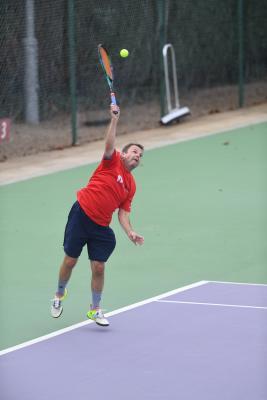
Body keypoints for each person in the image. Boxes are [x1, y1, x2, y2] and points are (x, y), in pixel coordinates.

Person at [51, 103, 144, 326]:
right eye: (134, 152)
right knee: (71, 260)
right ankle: (58, 295)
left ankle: (95, 309)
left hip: (100, 226)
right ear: (124, 153)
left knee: (99, 267)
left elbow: (123, 213)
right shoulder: (111, 161)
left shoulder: (131, 185)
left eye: (140, 155)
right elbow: (109, 143)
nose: (137, 156)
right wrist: (114, 120)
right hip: (81, 213)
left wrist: (130, 232)